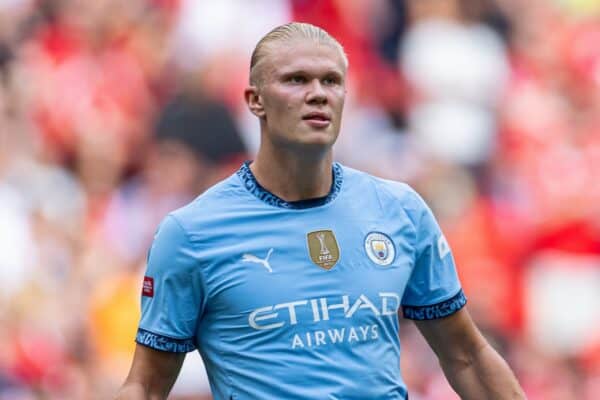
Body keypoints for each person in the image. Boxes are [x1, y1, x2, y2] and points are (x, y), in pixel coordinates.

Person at [116, 22, 525, 399]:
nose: (318, 93)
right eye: (296, 80)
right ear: (255, 101)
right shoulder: (192, 234)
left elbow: (467, 356)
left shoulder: (400, 211)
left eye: (331, 80)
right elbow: (146, 386)